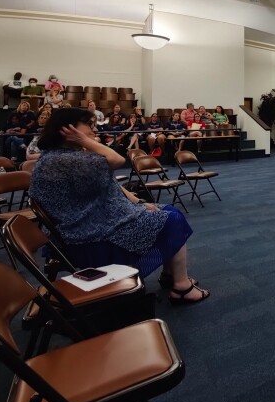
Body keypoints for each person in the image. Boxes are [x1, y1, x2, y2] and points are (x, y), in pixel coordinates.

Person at [29, 108, 209, 304]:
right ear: (68, 129)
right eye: (89, 126)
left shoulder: (67, 156)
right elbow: (117, 160)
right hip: (90, 234)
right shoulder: (64, 159)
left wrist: (139, 203)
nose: (94, 131)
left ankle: (171, 275)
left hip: (98, 219)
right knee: (172, 219)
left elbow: (110, 184)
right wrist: (85, 141)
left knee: (169, 210)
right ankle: (181, 287)